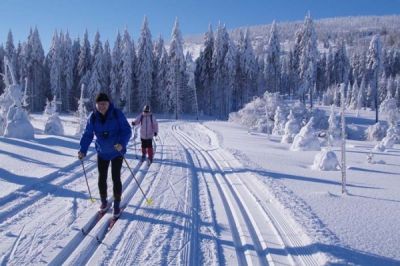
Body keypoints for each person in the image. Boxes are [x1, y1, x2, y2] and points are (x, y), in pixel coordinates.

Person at [78, 92, 132, 217]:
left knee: (115, 177)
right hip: (102, 152)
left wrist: (122, 143)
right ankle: (104, 202)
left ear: (108, 104)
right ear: (96, 105)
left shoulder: (117, 114)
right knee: (101, 178)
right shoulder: (93, 117)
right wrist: (83, 150)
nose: (102, 106)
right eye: (99, 104)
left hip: (117, 152)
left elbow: (127, 130)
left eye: (104, 104)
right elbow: (88, 134)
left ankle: (117, 205)